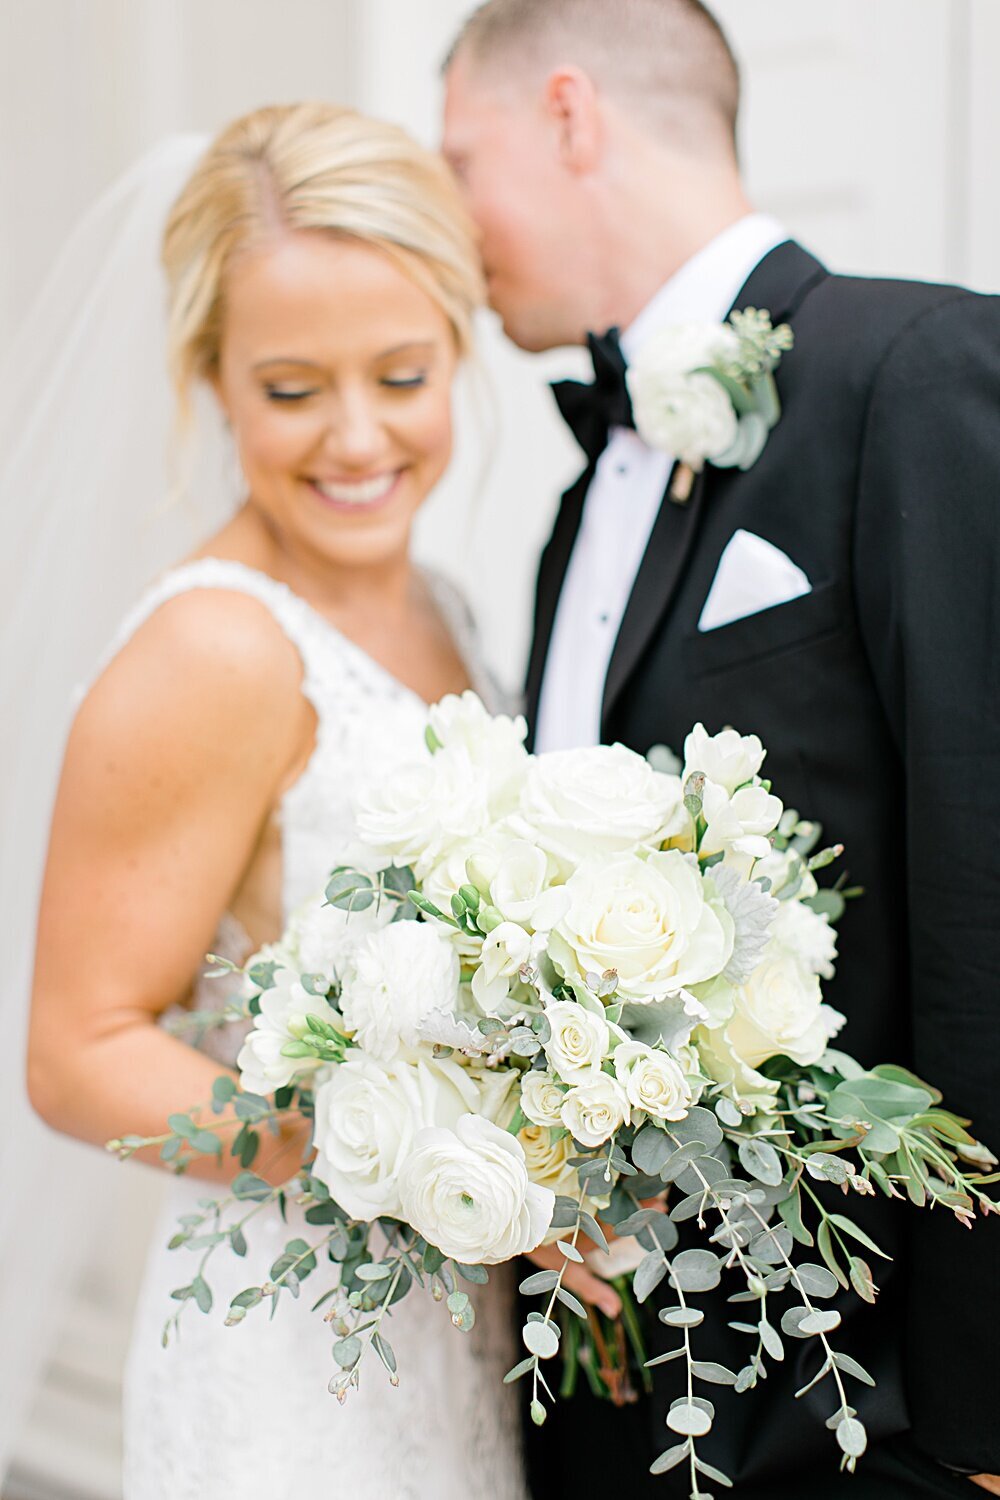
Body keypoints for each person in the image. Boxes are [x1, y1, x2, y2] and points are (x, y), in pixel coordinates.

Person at [442, 2, 1000, 1497]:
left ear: (569, 117)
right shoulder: (583, 505)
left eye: (460, 159)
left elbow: (984, 879)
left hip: (870, 1406)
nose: (451, 217)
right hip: (614, 1387)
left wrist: (987, 1415)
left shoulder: (920, 367)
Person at [26, 102, 527, 1500]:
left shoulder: (449, 606)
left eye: (403, 374)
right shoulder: (217, 648)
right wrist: (404, 1167)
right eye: (293, 388)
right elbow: (76, 1056)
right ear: (213, 379)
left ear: (457, 349)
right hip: (293, 1353)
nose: (357, 438)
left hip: (464, 1322)